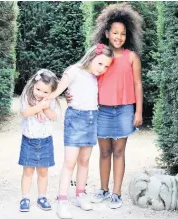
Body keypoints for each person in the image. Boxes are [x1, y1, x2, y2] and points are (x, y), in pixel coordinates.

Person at [66, 3, 143, 209]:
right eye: (115, 32)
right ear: (107, 33)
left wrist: (138, 111)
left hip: (125, 110)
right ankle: (103, 189)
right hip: (101, 110)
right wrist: (70, 95)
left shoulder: (132, 57)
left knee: (119, 152)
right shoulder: (101, 57)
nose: (118, 36)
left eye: (123, 33)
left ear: (128, 35)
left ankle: (116, 193)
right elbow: (83, 77)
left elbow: (137, 84)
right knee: (104, 152)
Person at [46, 44, 113, 219]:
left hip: (92, 118)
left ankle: (80, 194)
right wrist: (39, 106)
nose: (102, 69)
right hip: (75, 119)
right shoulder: (73, 71)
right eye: (100, 64)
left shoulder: (96, 77)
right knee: (70, 162)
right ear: (91, 57)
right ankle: (62, 201)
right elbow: (55, 93)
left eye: (106, 66)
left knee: (84, 160)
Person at [18, 69, 60, 212]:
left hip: (45, 141)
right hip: (29, 140)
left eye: (45, 92)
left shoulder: (51, 101)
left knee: (43, 172)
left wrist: (45, 108)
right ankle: (25, 198)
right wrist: (39, 107)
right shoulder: (26, 96)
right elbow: (24, 113)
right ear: (33, 85)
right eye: (38, 89)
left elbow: (54, 117)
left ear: (51, 92)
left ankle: (42, 197)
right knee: (28, 171)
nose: (40, 94)